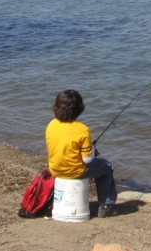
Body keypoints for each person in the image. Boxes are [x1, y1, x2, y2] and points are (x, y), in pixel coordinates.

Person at [45, 90, 117, 218]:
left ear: (56, 106)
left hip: (55, 169)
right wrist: (92, 150)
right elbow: (88, 159)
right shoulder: (82, 129)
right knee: (106, 167)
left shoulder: (51, 125)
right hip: (75, 171)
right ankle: (105, 206)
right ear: (79, 109)